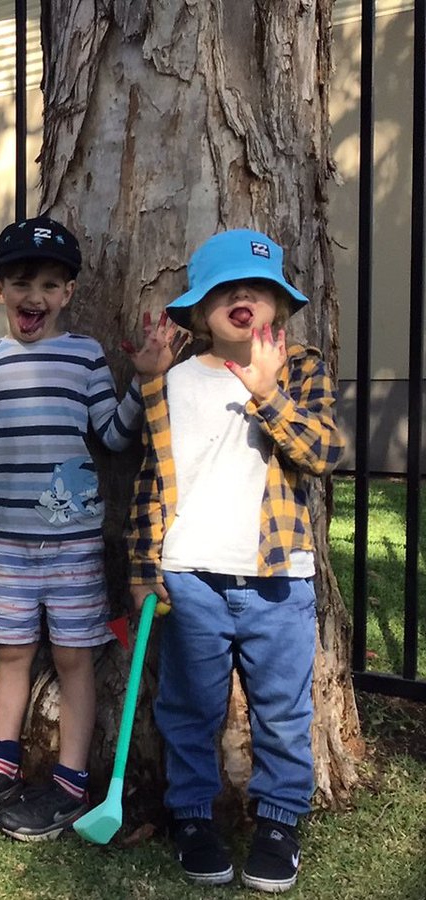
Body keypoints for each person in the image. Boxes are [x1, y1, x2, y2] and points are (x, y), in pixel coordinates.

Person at [0, 216, 179, 840]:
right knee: (11, 653)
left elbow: (114, 436)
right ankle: (0, 770)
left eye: (48, 283)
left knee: (74, 658)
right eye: (20, 282)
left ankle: (70, 785)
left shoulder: (86, 355)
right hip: (7, 548)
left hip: (72, 545)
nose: (33, 296)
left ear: (68, 293)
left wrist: (147, 379)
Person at [127, 229, 345, 892]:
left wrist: (267, 391)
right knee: (189, 707)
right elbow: (150, 483)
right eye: (225, 289)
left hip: (280, 578)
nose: (243, 298)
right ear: (199, 311)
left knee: (282, 710)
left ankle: (279, 823)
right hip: (192, 577)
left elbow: (326, 454)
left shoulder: (299, 368)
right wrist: (142, 572)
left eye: (261, 289)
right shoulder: (168, 383)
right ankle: (193, 817)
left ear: (279, 308)